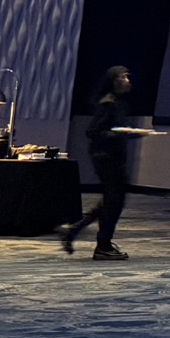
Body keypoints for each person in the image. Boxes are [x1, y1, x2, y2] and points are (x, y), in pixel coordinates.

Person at [61, 65, 133, 260]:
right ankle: (102, 244)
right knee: (114, 202)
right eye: (124, 77)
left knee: (111, 201)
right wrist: (119, 133)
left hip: (113, 157)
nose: (128, 81)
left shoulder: (118, 103)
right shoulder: (108, 103)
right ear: (115, 80)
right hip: (106, 158)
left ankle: (77, 231)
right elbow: (93, 132)